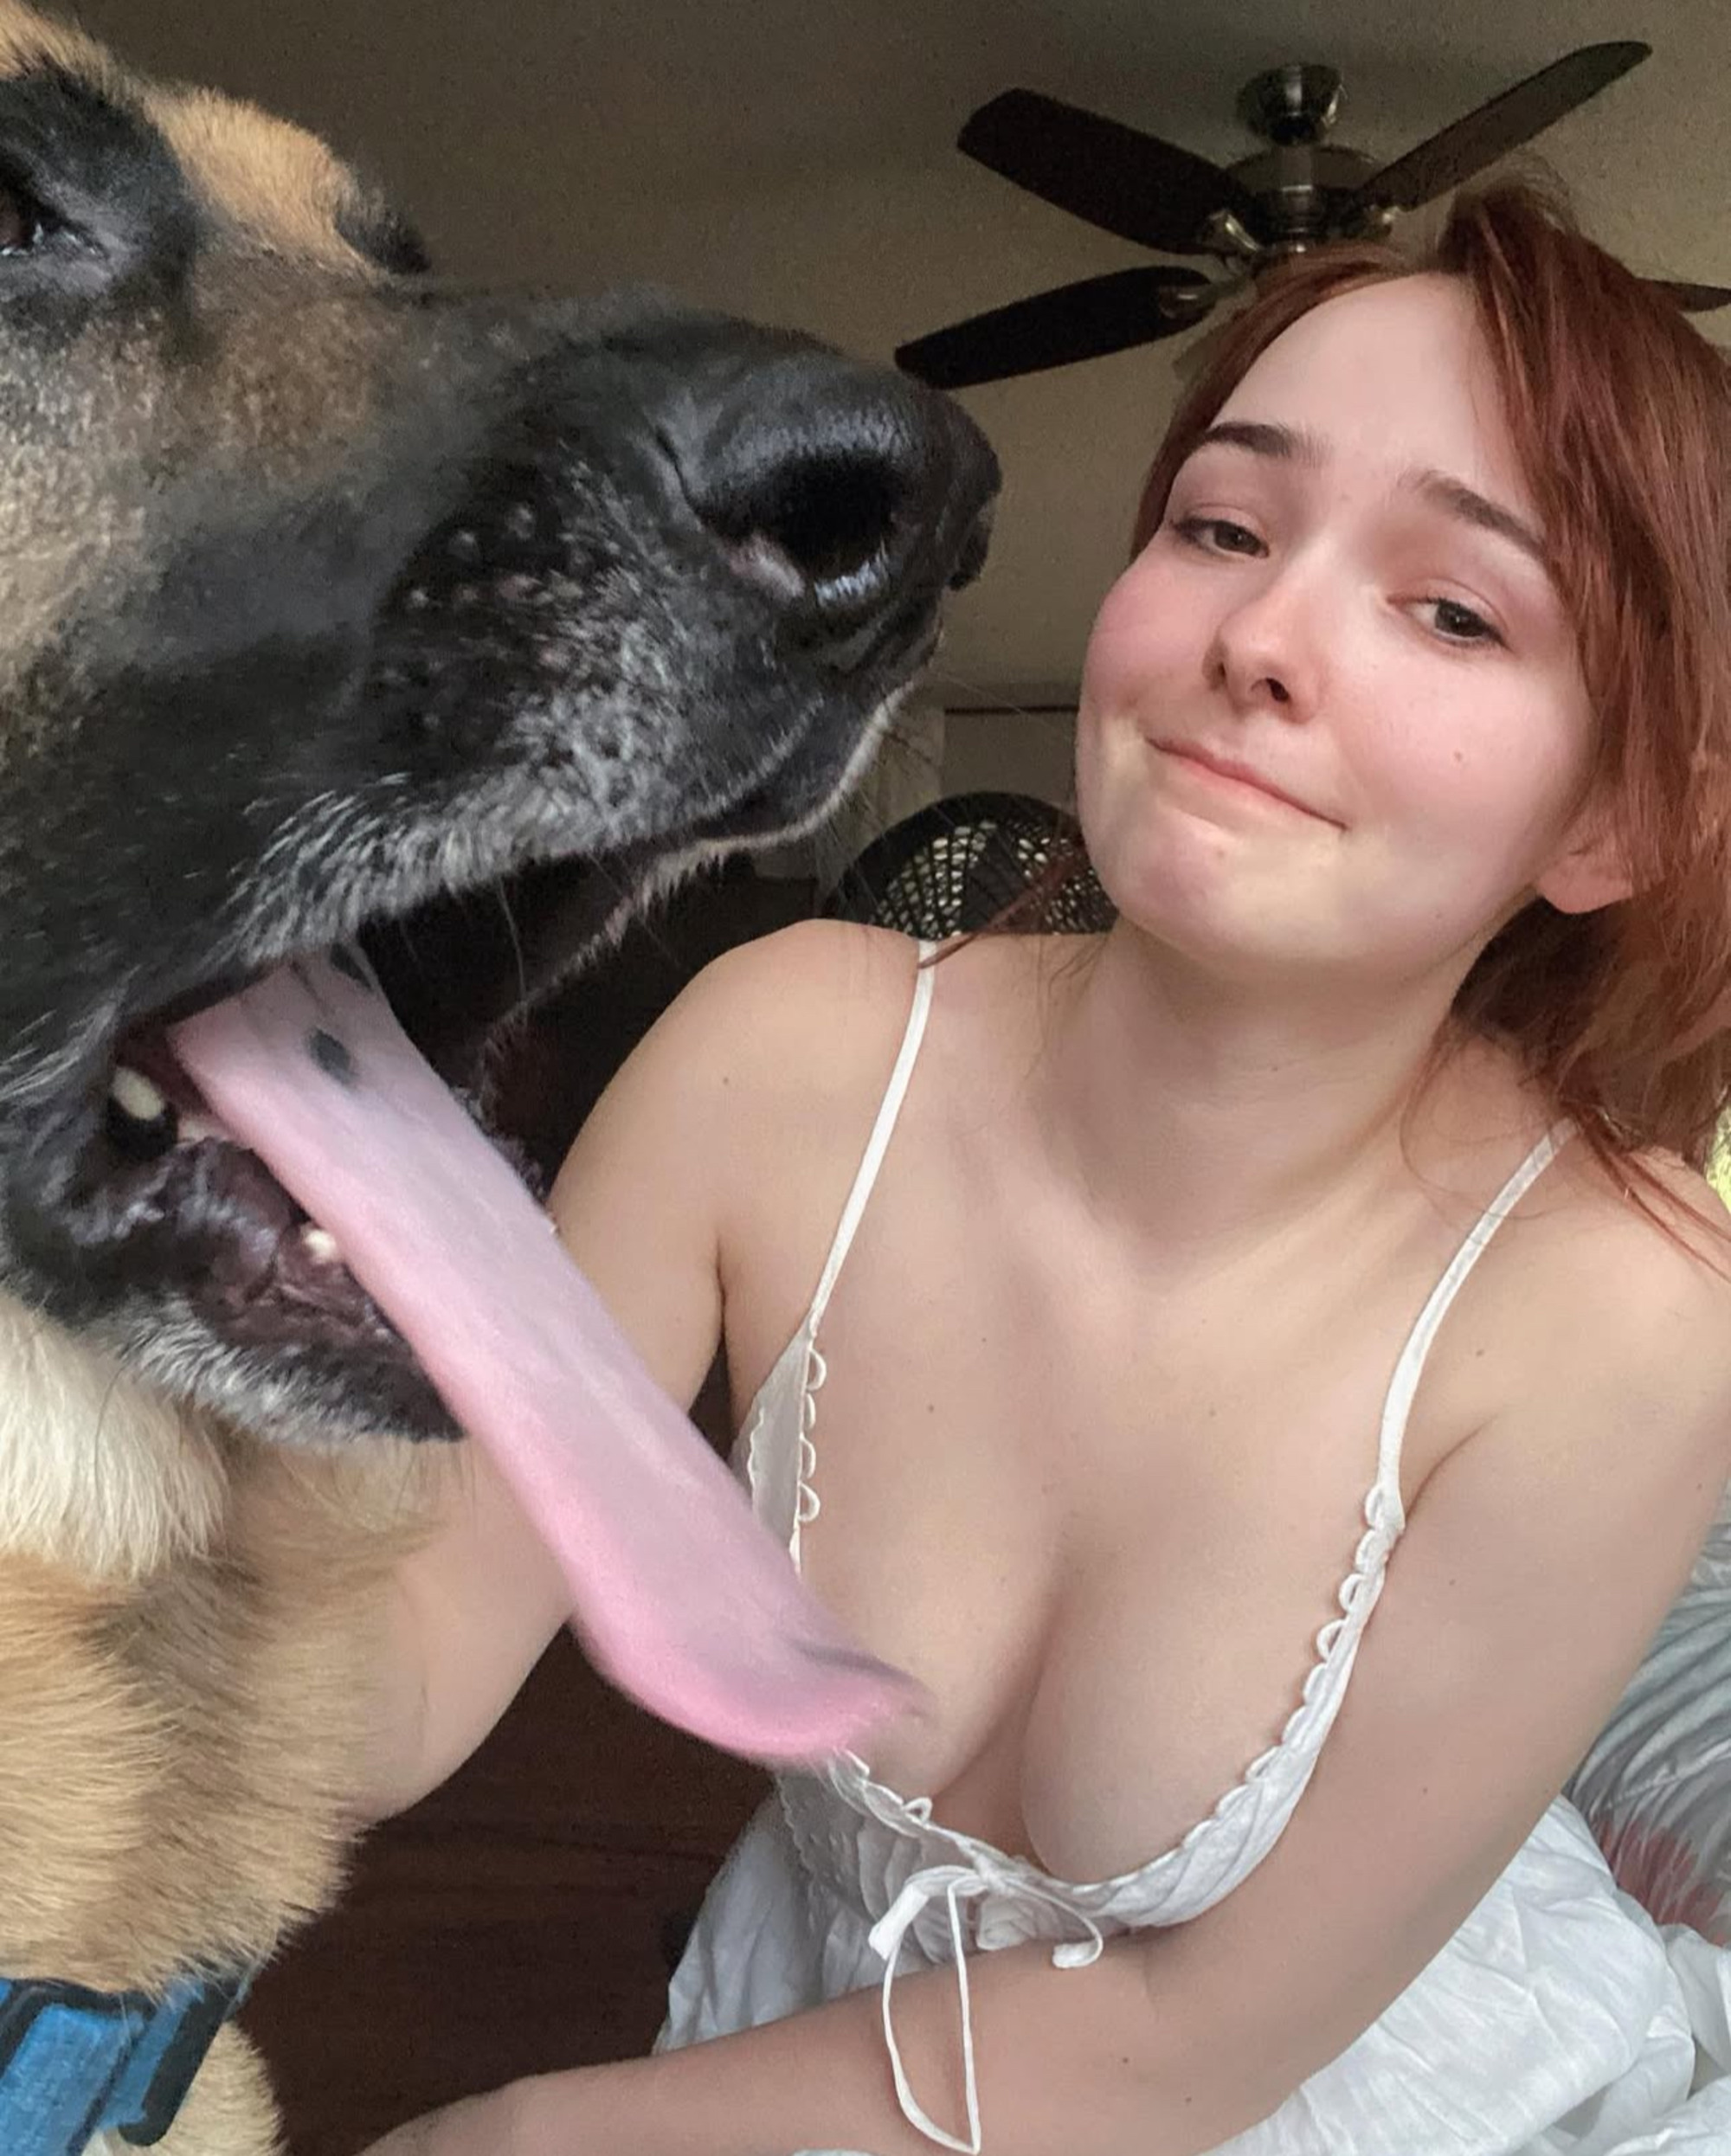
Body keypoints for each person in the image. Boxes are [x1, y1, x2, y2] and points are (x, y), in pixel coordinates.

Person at [354, 179, 1731, 2155]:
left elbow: (1181, 2047)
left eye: (1454, 609)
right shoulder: (784, 1054)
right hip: (806, 2056)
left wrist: (506, 2135)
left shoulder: (1618, 1312)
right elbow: (403, 1652)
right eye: (1224, 527)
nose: (1260, 638)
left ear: (1606, 824)